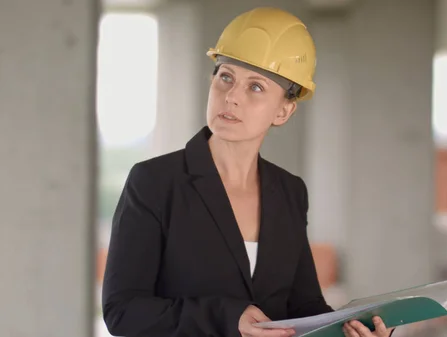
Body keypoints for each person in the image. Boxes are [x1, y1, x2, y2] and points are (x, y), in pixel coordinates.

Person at [102, 7, 396, 337]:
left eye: (255, 87)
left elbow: (303, 308)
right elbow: (122, 311)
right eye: (225, 77)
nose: (231, 97)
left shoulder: (289, 191)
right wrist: (227, 318)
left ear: (283, 110)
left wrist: (350, 331)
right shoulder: (155, 182)